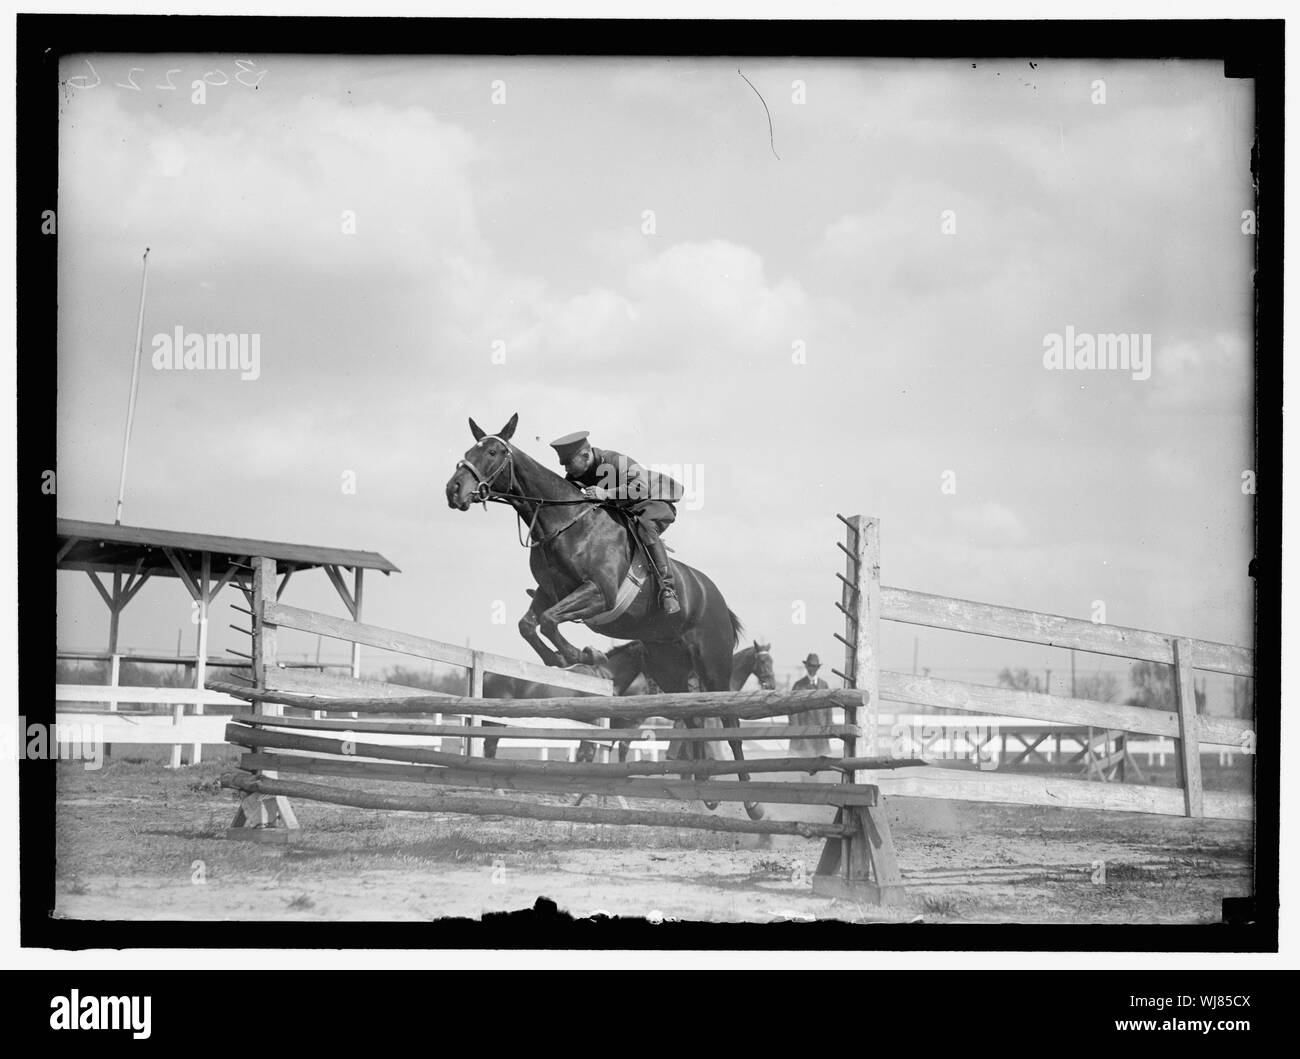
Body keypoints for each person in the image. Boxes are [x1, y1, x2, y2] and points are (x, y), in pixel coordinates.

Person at [550, 431, 685, 614]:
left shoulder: (615, 460)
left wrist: (605, 494)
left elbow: (641, 488)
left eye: (569, 463)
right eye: (564, 464)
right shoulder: (576, 475)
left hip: (654, 500)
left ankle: (668, 590)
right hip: (626, 506)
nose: (566, 469)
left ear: (586, 455)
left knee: (645, 527)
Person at [790, 652, 833, 756]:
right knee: (804, 764)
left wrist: (829, 727)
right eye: (810, 666)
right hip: (803, 733)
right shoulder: (798, 686)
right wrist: (795, 730)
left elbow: (829, 710)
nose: (812, 669)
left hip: (821, 732)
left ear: (818, 668)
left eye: (814, 666)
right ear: (806, 666)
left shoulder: (824, 685)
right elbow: (792, 710)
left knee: (821, 764)